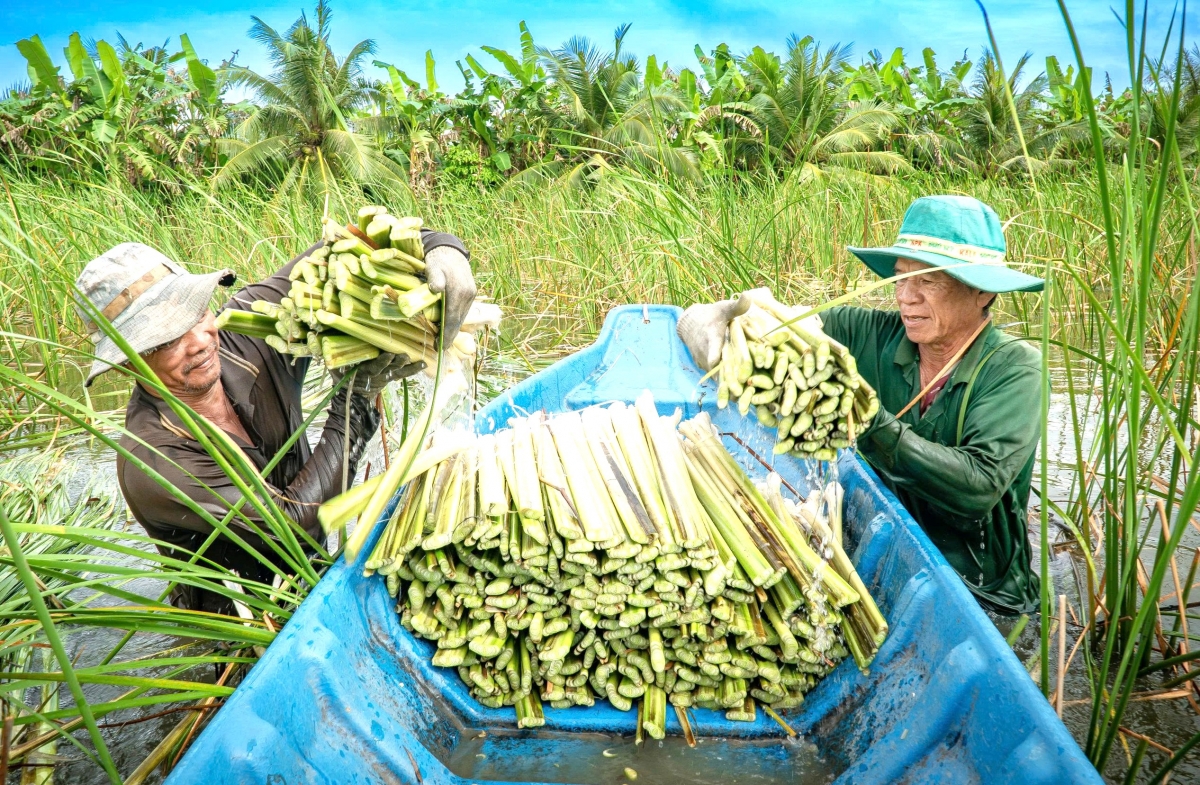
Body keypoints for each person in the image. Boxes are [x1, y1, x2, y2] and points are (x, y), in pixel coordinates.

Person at [678, 195, 1044, 615]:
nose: (906, 298)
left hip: (983, 594)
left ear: (980, 291)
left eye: (927, 281)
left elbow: (976, 487)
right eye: (901, 279)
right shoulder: (870, 332)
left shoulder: (1016, 368)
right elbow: (776, 323)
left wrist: (869, 421)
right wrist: (712, 318)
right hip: (891, 560)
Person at [75, 230, 476, 611]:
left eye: (196, 313)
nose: (198, 341)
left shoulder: (251, 332)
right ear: (127, 363)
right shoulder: (155, 461)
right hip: (245, 619)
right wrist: (354, 403)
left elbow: (345, 250)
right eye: (165, 339)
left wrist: (441, 248)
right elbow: (292, 531)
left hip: (314, 568)